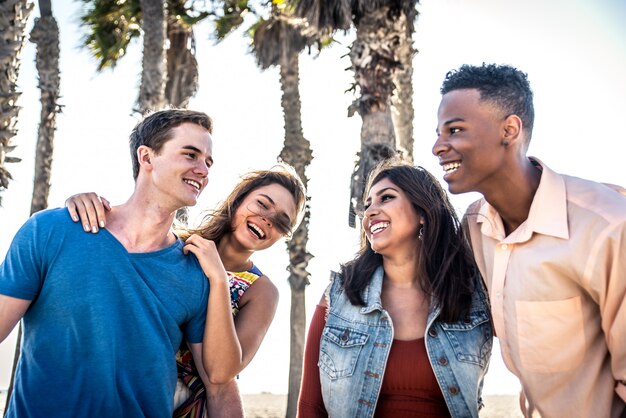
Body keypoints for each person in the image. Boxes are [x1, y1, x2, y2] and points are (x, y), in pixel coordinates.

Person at [432, 63, 626, 418]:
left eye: (454, 130)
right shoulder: (474, 227)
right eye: (439, 133)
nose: (437, 147)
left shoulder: (609, 227)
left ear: (510, 129)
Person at [0, 109, 216, 417]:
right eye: (191, 155)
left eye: (208, 162)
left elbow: (219, 382)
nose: (203, 170)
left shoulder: (196, 272)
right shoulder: (51, 230)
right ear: (147, 157)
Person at [65, 165, 306, 418]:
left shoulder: (261, 291)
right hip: (120, 390)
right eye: (262, 204)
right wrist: (81, 204)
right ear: (238, 199)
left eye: (281, 222)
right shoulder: (173, 243)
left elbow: (222, 373)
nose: (268, 219)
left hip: (189, 409)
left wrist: (218, 280)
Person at [297, 158, 493, 418]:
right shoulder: (339, 297)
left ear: (422, 212)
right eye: (367, 205)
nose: (370, 212)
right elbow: (311, 407)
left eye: (386, 198)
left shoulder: (472, 294)